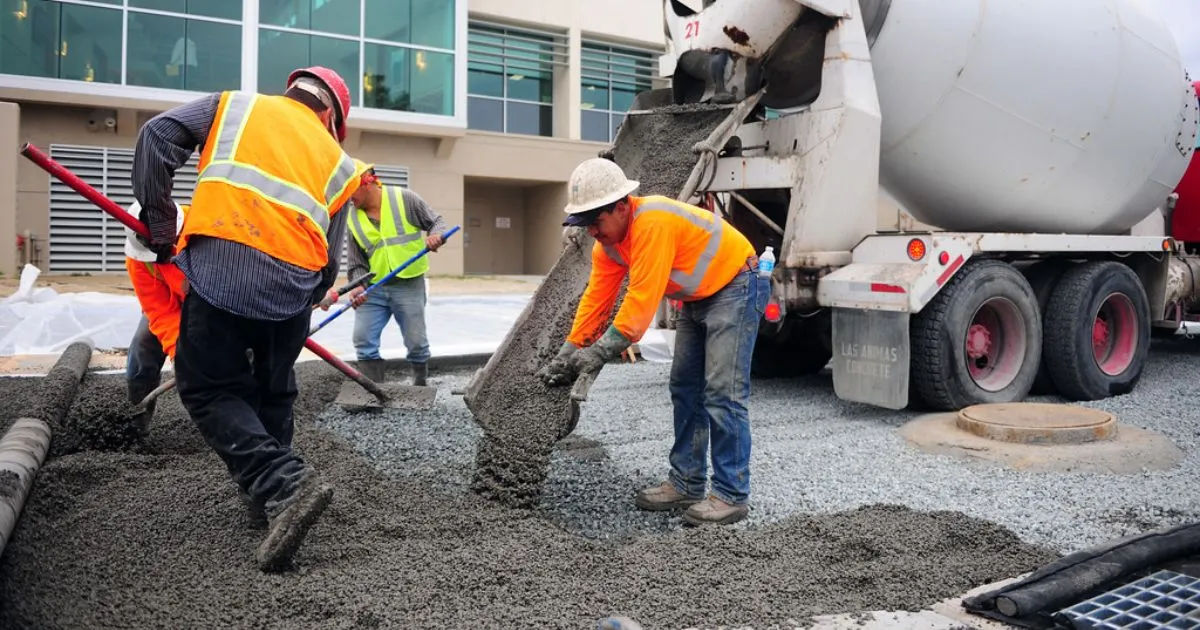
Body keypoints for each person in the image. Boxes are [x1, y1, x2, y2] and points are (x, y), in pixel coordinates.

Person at [131, 66, 367, 571]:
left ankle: (284, 485)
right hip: (294, 289)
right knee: (274, 390)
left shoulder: (235, 106)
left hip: (222, 270)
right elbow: (329, 259)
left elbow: (157, 134)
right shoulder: (341, 162)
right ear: (331, 117)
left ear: (294, 93)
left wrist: (159, 219)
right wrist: (305, 299)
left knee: (208, 387)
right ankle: (267, 502)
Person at [538, 158, 769, 526]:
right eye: (586, 225)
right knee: (685, 388)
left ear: (621, 206)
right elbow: (596, 301)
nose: (592, 232)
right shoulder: (609, 244)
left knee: (723, 393)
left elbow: (638, 308)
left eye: (596, 222)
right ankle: (687, 482)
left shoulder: (652, 223)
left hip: (737, 286)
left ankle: (731, 494)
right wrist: (569, 351)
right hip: (699, 297)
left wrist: (596, 354)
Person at [343, 160, 449, 386]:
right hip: (374, 289)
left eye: (348, 190)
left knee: (416, 342)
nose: (346, 197)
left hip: (409, 284)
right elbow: (356, 262)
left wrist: (436, 236)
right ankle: (373, 390)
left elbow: (437, 223)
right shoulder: (352, 217)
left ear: (366, 183)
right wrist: (358, 286)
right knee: (363, 339)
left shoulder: (404, 198)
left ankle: (420, 385)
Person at [123, 200, 187, 437]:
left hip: (216, 306)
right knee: (143, 345)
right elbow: (160, 313)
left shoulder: (204, 233)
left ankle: (249, 422)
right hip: (172, 305)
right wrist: (179, 354)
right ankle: (136, 421)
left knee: (242, 356)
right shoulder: (139, 261)